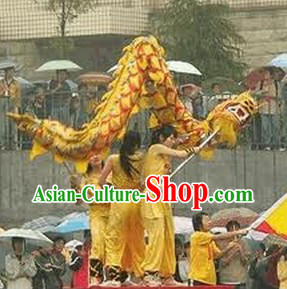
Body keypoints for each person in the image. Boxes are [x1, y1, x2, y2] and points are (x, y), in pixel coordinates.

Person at [141, 125, 200, 286]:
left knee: (168, 236)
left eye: (174, 138)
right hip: (152, 198)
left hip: (163, 199)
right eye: (171, 138)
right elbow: (180, 153)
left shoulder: (164, 157)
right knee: (157, 236)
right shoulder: (155, 148)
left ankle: (166, 275)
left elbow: (177, 148)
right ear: (161, 138)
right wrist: (192, 149)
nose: (173, 141)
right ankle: (150, 273)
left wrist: (185, 139)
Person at [99, 131, 145, 286]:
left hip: (120, 202)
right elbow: (144, 184)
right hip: (136, 203)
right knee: (135, 240)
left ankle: (113, 278)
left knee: (114, 239)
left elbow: (101, 182)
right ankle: (136, 275)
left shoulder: (113, 159)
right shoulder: (141, 159)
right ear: (137, 144)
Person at [74, 156, 111, 285]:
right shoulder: (86, 179)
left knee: (113, 245)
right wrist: (75, 188)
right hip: (97, 214)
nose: (95, 157)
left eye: (98, 154)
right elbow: (78, 201)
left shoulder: (110, 173)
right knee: (98, 242)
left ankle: (114, 276)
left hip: (112, 213)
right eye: (91, 155)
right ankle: (96, 276)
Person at [188, 212, 248, 286]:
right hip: (198, 278)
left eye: (209, 220)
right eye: (206, 220)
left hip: (210, 279)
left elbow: (218, 255)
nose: (209, 222)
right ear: (199, 223)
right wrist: (238, 232)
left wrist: (228, 247)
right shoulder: (196, 236)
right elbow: (218, 237)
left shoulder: (209, 237)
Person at [218, 220, 251, 288]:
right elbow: (222, 263)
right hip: (226, 280)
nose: (235, 232)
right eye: (232, 230)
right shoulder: (223, 244)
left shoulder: (243, 243)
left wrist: (241, 251)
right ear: (228, 232)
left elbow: (246, 262)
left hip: (240, 279)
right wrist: (232, 253)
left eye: (237, 230)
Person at [0, 62, 21, 150]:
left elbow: (18, 95)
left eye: (12, 71)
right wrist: (3, 91)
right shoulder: (1, 82)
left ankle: (14, 143)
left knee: (13, 125)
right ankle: (3, 144)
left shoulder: (16, 83)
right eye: (9, 71)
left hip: (12, 103)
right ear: (6, 72)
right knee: (3, 125)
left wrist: (17, 106)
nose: (11, 73)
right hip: (3, 103)